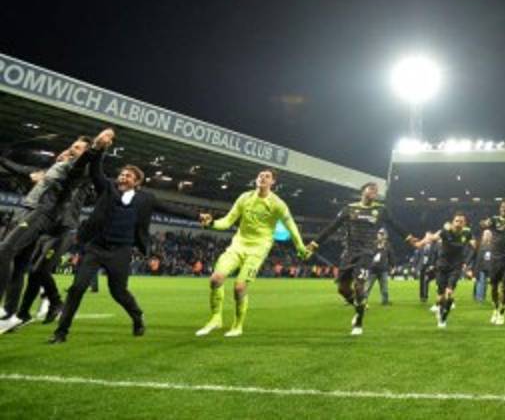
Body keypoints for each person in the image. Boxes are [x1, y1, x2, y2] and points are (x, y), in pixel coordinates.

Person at [48, 137, 198, 343]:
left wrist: (197, 216)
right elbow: (96, 171)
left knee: (118, 292)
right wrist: (100, 149)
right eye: (122, 174)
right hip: (96, 247)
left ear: (137, 182)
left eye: (128, 176)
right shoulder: (107, 187)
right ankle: (61, 333)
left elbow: (171, 208)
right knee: (77, 288)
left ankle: (137, 317)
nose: (123, 177)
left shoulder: (146, 198)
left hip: (120, 251)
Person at [0, 131, 107, 324]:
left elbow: (84, 171)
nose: (69, 151)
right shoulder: (57, 170)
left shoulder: (80, 173)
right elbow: (23, 171)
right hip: (45, 220)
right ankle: (16, 312)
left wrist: (97, 148)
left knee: (25, 262)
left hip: (59, 225)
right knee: (24, 265)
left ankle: (48, 303)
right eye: (70, 147)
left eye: (76, 148)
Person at [195, 169, 311, 338]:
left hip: (258, 248)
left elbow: (291, 226)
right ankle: (216, 318)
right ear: (256, 179)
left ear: (273, 182)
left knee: (239, 287)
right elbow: (227, 221)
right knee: (216, 279)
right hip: (238, 245)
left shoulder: (278, 204)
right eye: (260, 175)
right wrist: (211, 223)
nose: (263, 178)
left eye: (267, 176)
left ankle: (237, 325)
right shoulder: (245, 198)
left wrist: (300, 246)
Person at [307, 182, 428, 336]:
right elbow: (332, 227)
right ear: (362, 191)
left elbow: (395, 225)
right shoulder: (349, 209)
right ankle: (359, 305)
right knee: (343, 289)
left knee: (359, 286)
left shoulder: (380, 210)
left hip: (367, 253)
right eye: (371, 189)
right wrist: (315, 243)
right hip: (349, 253)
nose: (374, 192)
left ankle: (358, 322)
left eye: (376, 190)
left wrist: (409, 238)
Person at [479, 190, 505, 325]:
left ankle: (502, 313)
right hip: (495, 258)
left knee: (504, 287)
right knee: (493, 286)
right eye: (502, 206)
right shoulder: (494, 219)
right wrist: (484, 223)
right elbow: (483, 224)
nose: (503, 208)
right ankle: (495, 310)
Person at [433, 211, 476, 328]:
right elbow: (434, 237)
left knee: (449, 292)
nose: (458, 223)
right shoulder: (446, 231)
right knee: (441, 295)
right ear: (453, 222)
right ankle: (440, 308)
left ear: (464, 223)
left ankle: (443, 318)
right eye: (456, 221)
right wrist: (422, 241)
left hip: (456, 267)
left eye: (461, 221)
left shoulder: (467, 233)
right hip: (442, 266)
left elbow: (473, 246)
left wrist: (467, 262)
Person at [363, 230, 394, 306]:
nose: (380, 235)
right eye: (379, 234)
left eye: (382, 234)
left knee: (384, 288)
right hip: (373, 269)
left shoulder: (388, 245)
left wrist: (392, 266)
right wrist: (379, 248)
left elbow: (391, 256)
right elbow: (369, 254)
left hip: (383, 269)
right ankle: (363, 300)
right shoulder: (373, 244)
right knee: (367, 287)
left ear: (385, 236)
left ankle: (385, 301)